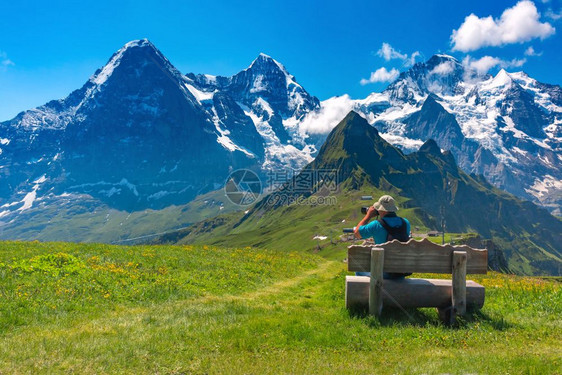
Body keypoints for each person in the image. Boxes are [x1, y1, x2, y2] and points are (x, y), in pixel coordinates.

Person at [353, 195, 411, 278]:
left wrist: (368, 215)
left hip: (384, 273)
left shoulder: (376, 225)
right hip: (400, 273)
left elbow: (357, 233)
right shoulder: (406, 223)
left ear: (381, 210)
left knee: (359, 271)